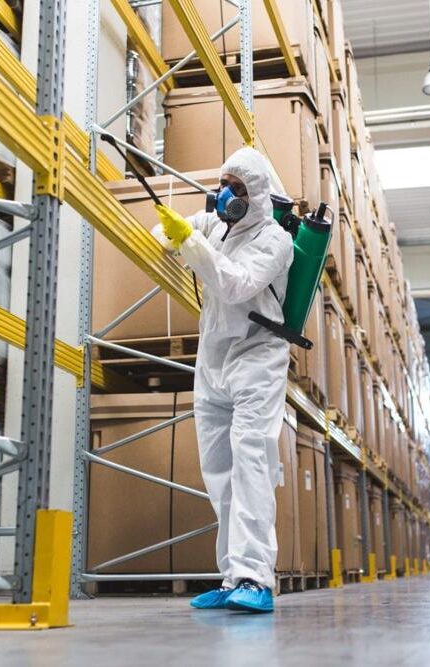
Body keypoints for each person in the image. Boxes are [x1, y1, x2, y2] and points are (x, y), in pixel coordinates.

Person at [152, 147, 294, 614]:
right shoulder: (215, 224)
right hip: (213, 358)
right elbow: (165, 233)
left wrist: (190, 244)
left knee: (252, 462)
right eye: (225, 184)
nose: (227, 194)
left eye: (238, 188)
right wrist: (175, 232)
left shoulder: (275, 240)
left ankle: (256, 579)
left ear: (257, 194)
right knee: (218, 469)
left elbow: (235, 284)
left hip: (257, 357)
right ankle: (233, 576)